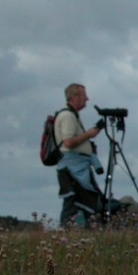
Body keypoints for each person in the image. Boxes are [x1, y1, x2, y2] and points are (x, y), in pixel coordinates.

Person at [54, 83, 105, 227]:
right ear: (74, 97)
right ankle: (69, 229)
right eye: (84, 95)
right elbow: (68, 142)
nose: (87, 99)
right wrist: (89, 134)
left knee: (77, 201)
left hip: (75, 166)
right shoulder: (68, 116)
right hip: (73, 168)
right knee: (73, 201)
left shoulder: (71, 115)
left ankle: (79, 229)